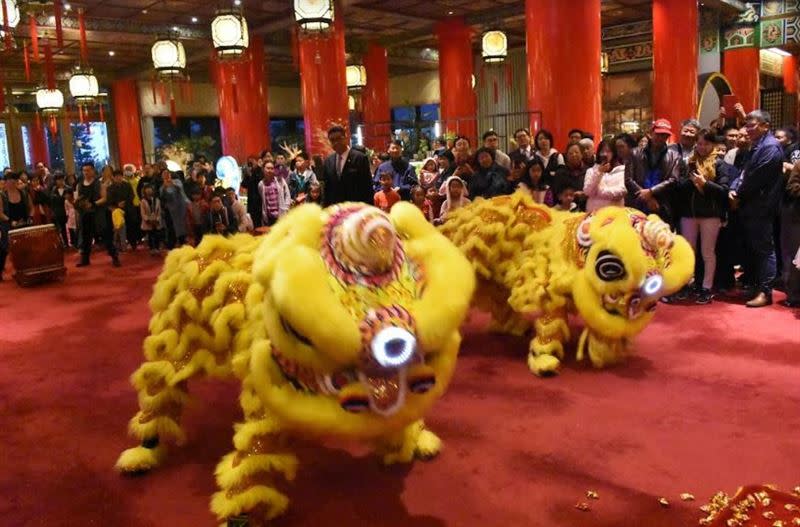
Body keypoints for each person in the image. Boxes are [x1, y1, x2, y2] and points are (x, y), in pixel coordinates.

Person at [732, 110, 785, 308]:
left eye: (752, 124)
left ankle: (765, 291)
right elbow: (744, 172)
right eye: (746, 124)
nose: (748, 128)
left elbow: (755, 178)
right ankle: (756, 285)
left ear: (765, 126)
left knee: (764, 250)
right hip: (750, 205)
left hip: (762, 207)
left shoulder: (770, 147)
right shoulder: (756, 145)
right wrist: (733, 188)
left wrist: (738, 193)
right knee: (754, 249)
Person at [675, 129, 730, 305]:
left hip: (710, 215)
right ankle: (687, 284)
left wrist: (705, 184)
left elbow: (724, 190)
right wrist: (691, 181)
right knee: (688, 251)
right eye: (699, 143)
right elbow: (678, 186)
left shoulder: (719, 164)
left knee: (707, 253)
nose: (702, 147)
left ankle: (706, 288)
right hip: (689, 214)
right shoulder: (688, 162)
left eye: (706, 143)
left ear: (713, 145)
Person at [625, 118, 682, 224]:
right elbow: (628, 180)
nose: (661, 138)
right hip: (637, 204)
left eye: (664, 135)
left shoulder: (675, 156)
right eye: (658, 134)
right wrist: (647, 197)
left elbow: (673, 180)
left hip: (661, 205)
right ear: (651, 133)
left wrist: (651, 192)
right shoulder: (634, 153)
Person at [75, 163, 120, 267]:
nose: (86, 172)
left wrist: (93, 204)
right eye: (84, 170)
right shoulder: (80, 185)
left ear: (93, 171)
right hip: (85, 214)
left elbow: (104, 198)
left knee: (106, 236)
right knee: (86, 237)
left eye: (88, 170)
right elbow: (77, 199)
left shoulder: (99, 183)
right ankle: (85, 259)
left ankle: (114, 257)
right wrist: (78, 204)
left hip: (98, 213)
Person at [322, 125, 373, 206]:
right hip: (336, 209)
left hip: (356, 208)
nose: (336, 142)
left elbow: (367, 187)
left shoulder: (360, 158)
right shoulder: (328, 161)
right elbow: (327, 189)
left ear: (346, 138)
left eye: (339, 138)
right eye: (332, 140)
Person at [583, 139, 626, 212]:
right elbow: (587, 191)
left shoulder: (622, 171)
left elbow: (621, 192)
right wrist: (599, 173)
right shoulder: (591, 171)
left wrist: (599, 191)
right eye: (602, 151)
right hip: (594, 213)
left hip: (615, 214)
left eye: (608, 151)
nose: (605, 154)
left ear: (614, 153)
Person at [780, 162, 800, 308]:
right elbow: (791, 187)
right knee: (795, 258)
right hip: (797, 217)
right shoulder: (799, 165)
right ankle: (793, 295)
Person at [159, 170, 189, 249]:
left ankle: (183, 241)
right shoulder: (162, 186)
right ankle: (172, 243)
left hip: (180, 207)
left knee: (182, 225)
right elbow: (162, 197)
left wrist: (172, 184)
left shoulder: (177, 181)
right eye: (164, 174)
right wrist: (165, 187)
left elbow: (180, 190)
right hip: (170, 209)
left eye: (167, 174)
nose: (166, 175)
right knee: (171, 227)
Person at [49, 173, 71, 248]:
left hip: (68, 211)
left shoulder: (68, 188)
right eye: (58, 180)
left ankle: (70, 243)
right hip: (57, 212)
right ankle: (62, 243)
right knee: (60, 229)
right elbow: (52, 201)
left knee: (69, 228)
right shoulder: (53, 190)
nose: (60, 181)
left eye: (62, 179)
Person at [140, 184, 162, 256]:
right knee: (150, 235)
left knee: (157, 235)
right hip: (148, 222)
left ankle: (157, 248)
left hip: (156, 221)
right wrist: (148, 220)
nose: (149, 190)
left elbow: (159, 211)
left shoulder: (157, 200)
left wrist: (157, 219)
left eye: (150, 188)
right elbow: (143, 213)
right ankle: (152, 248)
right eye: (147, 189)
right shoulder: (143, 201)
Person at [259, 161, 281, 226]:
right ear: (263, 169)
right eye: (268, 168)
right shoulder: (261, 184)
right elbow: (263, 200)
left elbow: (286, 196)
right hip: (269, 217)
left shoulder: (280, 181)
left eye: (272, 168)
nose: (270, 170)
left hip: (279, 215)